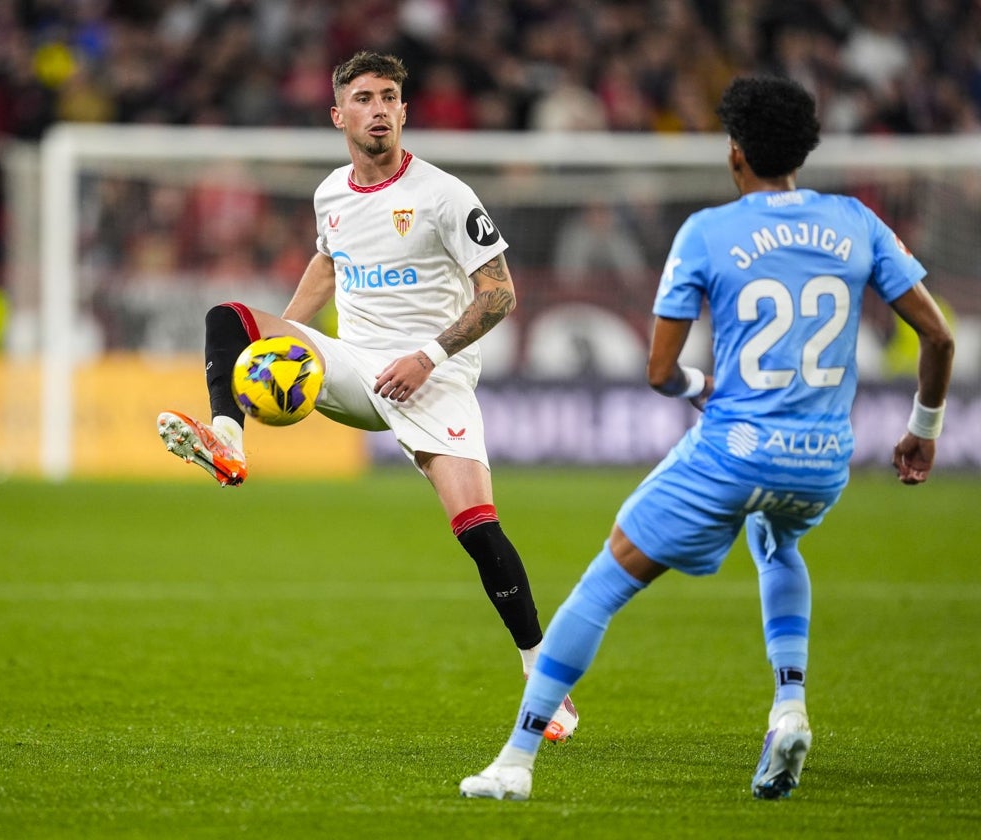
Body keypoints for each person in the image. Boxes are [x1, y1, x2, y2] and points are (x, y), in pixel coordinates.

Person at [459, 75, 954, 802]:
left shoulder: (708, 232)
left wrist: (698, 390)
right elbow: (938, 337)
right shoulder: (856, 221)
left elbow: (660, 370)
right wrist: (923, 430)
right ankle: (789, 707)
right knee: (779, 542)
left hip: (733, 451)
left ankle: (515, 760)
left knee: (606, 578)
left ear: (734, 154)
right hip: (821, 462)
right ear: (804, 151)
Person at [156, 50, 578, 742]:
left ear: (404, 111)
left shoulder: (445, 195)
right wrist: (277, 349)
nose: (378, 109)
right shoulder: (332, 194)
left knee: (477, 528)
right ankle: (227, 439)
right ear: (338, 115)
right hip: (353, 365)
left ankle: (542, 676)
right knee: (228, 318)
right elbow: (328, 263)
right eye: (364, 98)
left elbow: (499, 293)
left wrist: (430, 355)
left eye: (389, 97)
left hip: (432, 379)